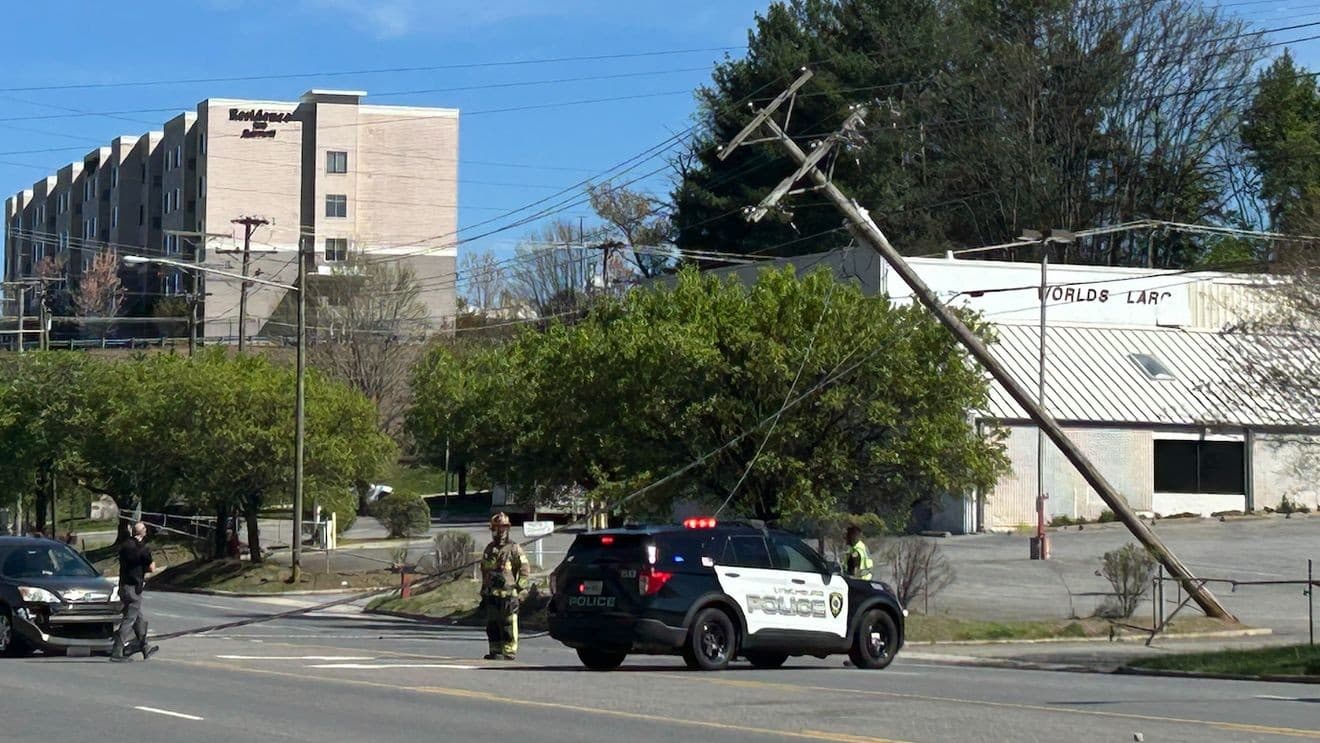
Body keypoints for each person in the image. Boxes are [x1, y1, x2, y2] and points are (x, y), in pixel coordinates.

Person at [480, 512, 529, 661]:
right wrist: (483, 591)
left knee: (508, 624)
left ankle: (508, 651)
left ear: (507, 529)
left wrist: (519, 588)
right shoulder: (489, 549)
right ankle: (495, 650)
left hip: (508, 594)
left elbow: (524, 569)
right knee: (492, 625)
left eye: (502, 529)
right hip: (492, 594)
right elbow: (484, 570)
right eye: (496, 529)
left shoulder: (514, 549)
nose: (499, 532)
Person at [111, 522, 159, 662]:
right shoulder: (141, 549)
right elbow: (151, 568)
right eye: (144, 529)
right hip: (134, 589)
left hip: (123, 587)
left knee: (139, 618)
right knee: (130, 619)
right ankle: (117, 650)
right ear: (142, 532)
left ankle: (145, 647)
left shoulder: (125, 546)